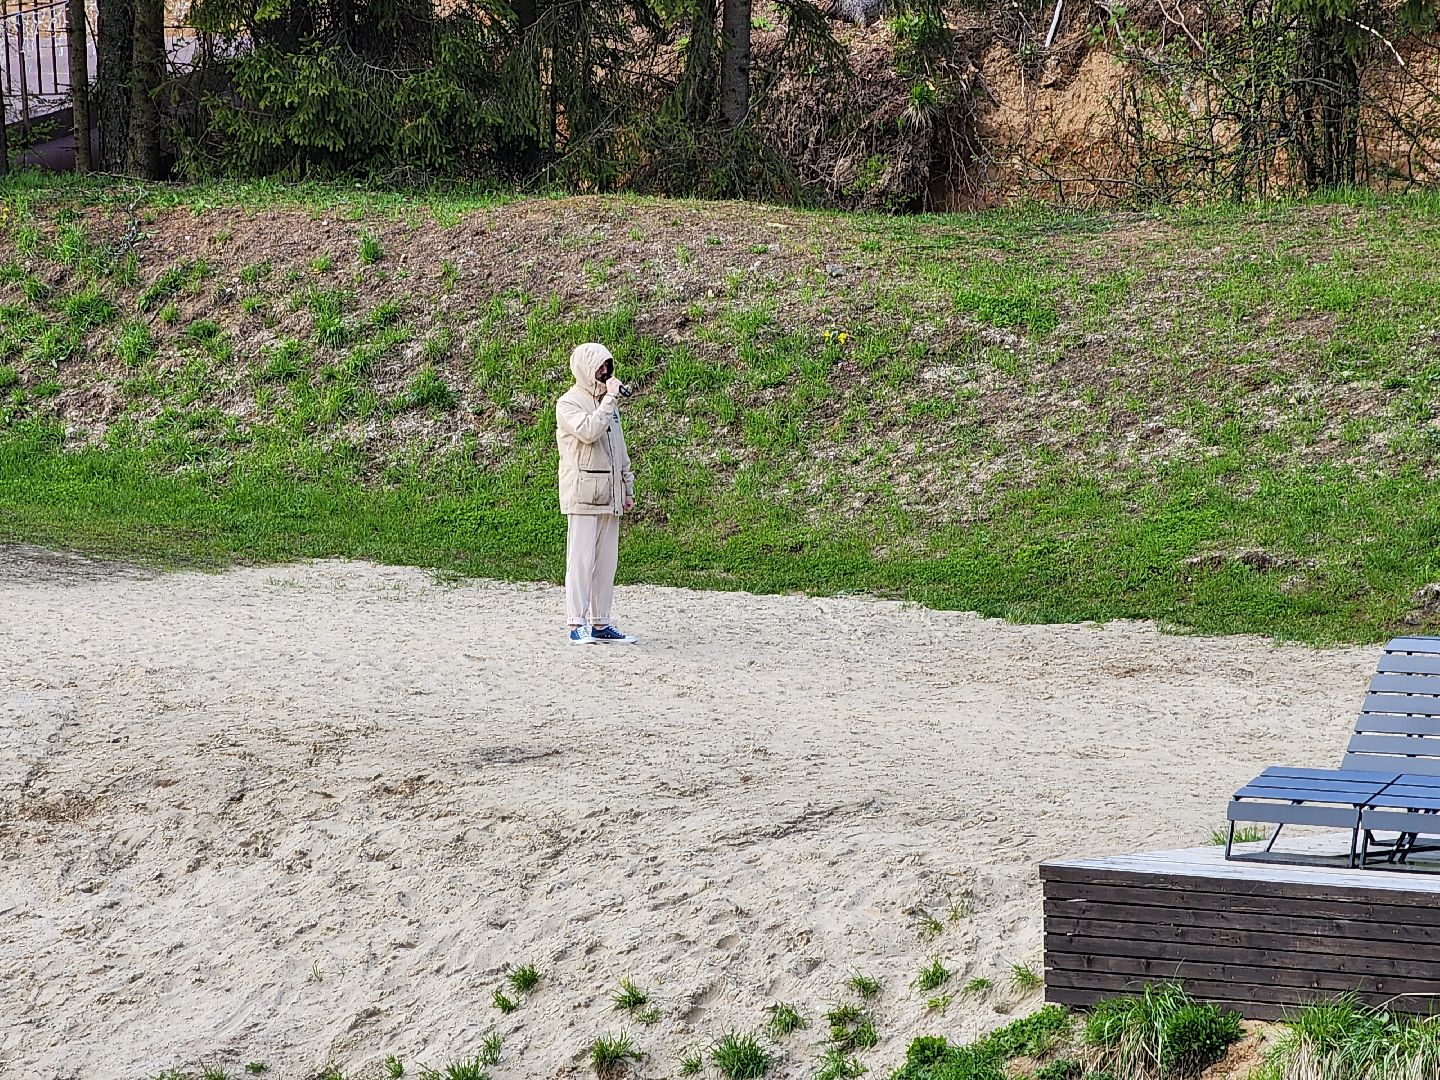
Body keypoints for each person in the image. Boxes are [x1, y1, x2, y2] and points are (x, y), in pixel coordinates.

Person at [556, 342, 636, 645]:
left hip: (610, 493)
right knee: (580, 559)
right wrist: (609, 402)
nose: (605, 373)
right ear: (585, 369)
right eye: (599, 367)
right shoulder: (568, 403)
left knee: (606, 561)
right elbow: (588, 432)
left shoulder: (608, 403)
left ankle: (601, 622)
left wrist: (627, 486)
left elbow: (619, 448)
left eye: (607, 367)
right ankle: (576, 622)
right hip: (583, 493)